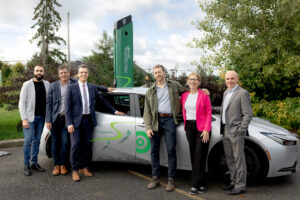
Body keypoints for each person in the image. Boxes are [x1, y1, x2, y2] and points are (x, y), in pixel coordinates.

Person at [46, 64, 113, 176]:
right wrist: (48, 119)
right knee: (56, 143)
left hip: (69, 119)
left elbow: (91, 86)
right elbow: (48, 104)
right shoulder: (53, 86)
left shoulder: (73, 83)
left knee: (66, 143)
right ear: (58, 74)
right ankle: (57, 165)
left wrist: (105, 88)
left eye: (65, 73)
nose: (63, 75)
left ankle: (64, 165)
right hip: (56, 118)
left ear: (70, 74)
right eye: (61, 73)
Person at [66, 64, 124, 182]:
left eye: (85, 72)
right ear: (78, 74)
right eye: (81, 72)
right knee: (75, 146)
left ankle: (83, 167)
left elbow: (102, 101)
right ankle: (75, 170)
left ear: (88, 74)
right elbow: (67, 107)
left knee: (86, 146)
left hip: (88, 120)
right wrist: (69, 123)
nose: (83, 74)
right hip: (76, 122)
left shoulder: (92, 87)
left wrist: (115, 111)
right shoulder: (71, 88)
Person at [143, 64, 187, 192]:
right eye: (155, 72)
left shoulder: (174, 85)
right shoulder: (150, 91)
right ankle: (155, 177)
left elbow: (188, 93)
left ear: (164, 72)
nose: (158, 74)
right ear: (154, 75)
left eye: (159, 72)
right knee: (154, 151)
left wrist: (202, 91)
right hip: (156, 121)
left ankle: (171, 179)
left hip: (169, 121)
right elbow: (147, 111)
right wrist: (148, 127)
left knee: (171, 150)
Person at [220, 70, 252, 195]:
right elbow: (226, 110)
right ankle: (233, 181)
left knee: (239, 159)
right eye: (227, 79)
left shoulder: (242, 93)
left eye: (232, 78)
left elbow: (248, 114)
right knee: (230, 158)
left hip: (236, 132)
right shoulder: (225, 92)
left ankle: (241, 185)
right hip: (226, 131)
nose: (229, 81)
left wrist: (241, 130)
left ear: (237, 79)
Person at [180, 72, 212, 195]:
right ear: (188, 81)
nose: (192, 81)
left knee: (199, 155)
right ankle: (202, 183)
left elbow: (209, 112)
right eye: (190, 79)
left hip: (202, 127)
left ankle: (195, 185)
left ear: (198, 82)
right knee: (195, 155)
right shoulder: (184, 96)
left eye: (195, 79)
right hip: (189, 126)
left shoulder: (203, 95)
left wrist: (206, 129)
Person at [19, 65, 50, 176]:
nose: (39, 72)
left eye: (41, 71)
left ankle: (34, 163)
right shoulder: (27, 85)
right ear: (34, 71)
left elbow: (48, 102)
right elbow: (22, 103)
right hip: (29, 118)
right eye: (37, 70)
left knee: (37, 141)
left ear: (43, 72)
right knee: (28, 141)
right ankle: (26, 165)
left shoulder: (46, 84)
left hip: (41, 118)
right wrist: (24, 119)